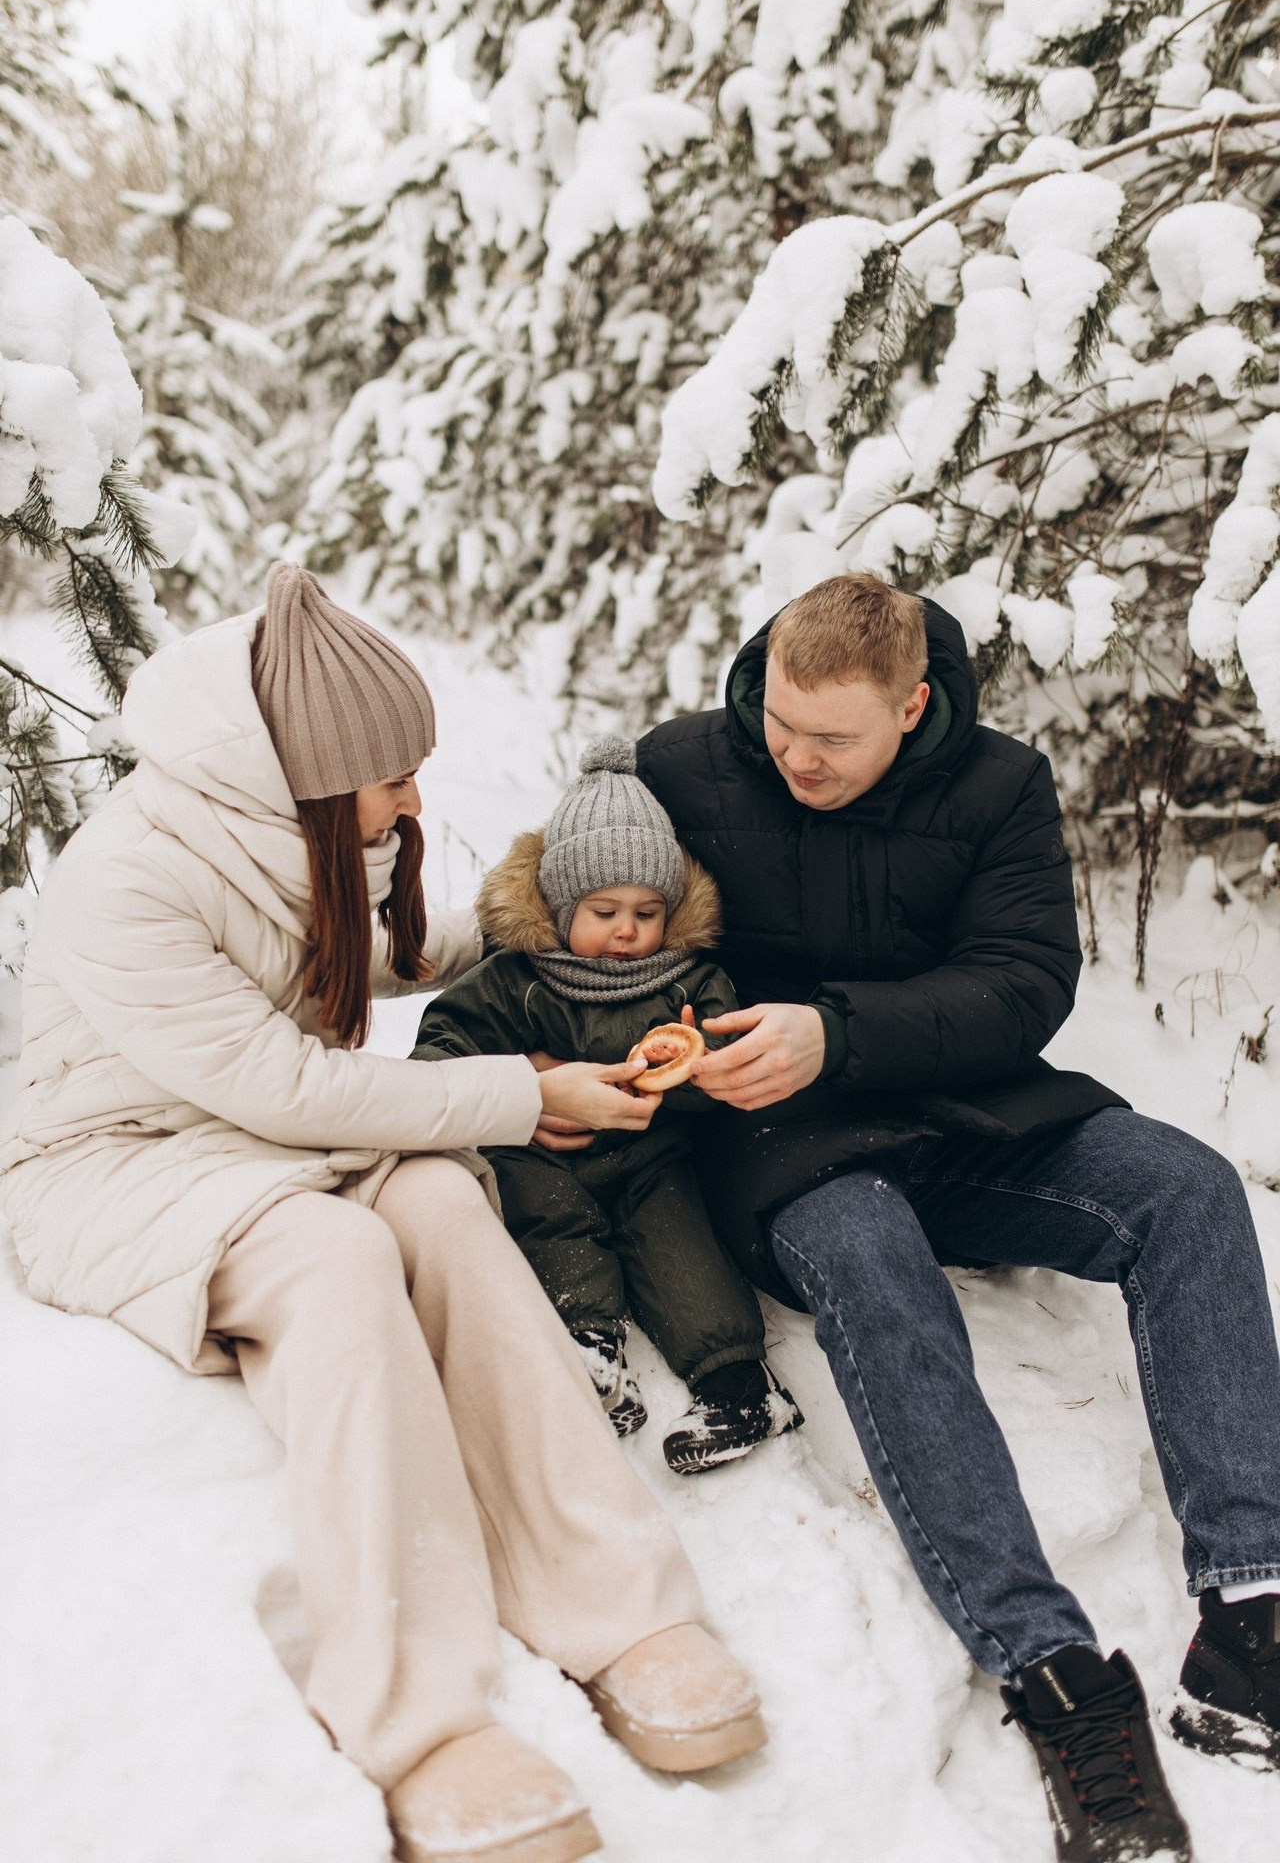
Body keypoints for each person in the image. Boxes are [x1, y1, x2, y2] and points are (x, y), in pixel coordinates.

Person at [0, 564, 768, 1863]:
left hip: (258, 1138)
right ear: (306, 774)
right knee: (340, 1256)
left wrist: (537, 930)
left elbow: (371, 962)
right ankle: (415, 1716)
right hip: (117, 1164)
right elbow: (279, 1079)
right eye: (395, 776)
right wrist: (521, 1093)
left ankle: (618, 1603)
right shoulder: (129, 877)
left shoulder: (291, 831)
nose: (414, 800)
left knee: (446, 1207)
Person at [603, 569, 1280, 1863]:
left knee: (1188, 1188)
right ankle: (1048, 1668)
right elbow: (591, 939)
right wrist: (678, 1041)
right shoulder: (680, 768)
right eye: (778, 723)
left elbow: (1024, 983)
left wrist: (840, 1033)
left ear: (913, 708)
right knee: (871, 1259)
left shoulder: (999, 784)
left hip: (963, 1103)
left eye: (831, 736)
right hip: (778, 1136)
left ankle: (1252, 1607)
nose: (794, 755)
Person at [411, 734, 802, 1472]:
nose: (627, 930)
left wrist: (694, 1069)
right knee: (545, 1220)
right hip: (544, 1153)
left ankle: (740, 1388)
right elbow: (440, 1050)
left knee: (680, 1247)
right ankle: (591, 1353)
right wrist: (517, 1083)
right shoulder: (518, 977)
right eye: (604, 910)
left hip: (652, 1155)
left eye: (647, 912)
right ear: (561, 908)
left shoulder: (690, 983)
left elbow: (726, 1063)